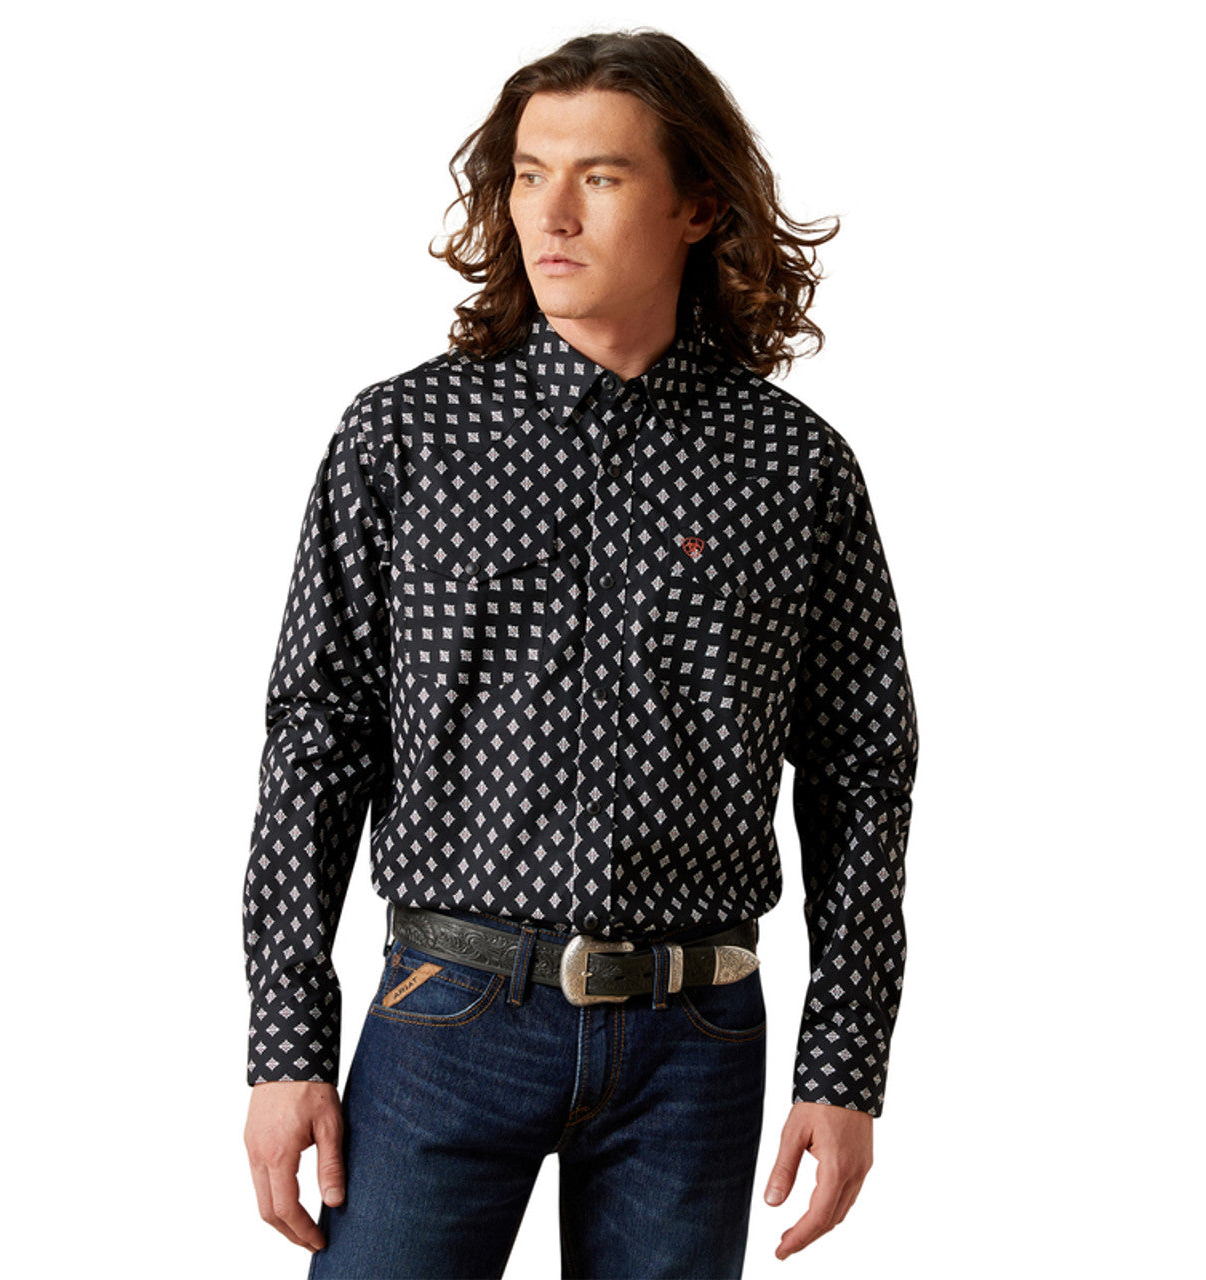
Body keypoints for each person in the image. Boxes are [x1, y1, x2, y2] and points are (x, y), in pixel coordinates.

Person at [242, 28, 918, 1279]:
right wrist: (285, 1046)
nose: (550, 213)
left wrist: (842, 1063)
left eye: (599, 177)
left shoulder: (794, 468)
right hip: (445, 1016)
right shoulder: (403, 437)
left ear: (696, 206)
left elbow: (861, 771)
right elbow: (316, 738)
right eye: (527, 173)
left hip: (694, 1040)